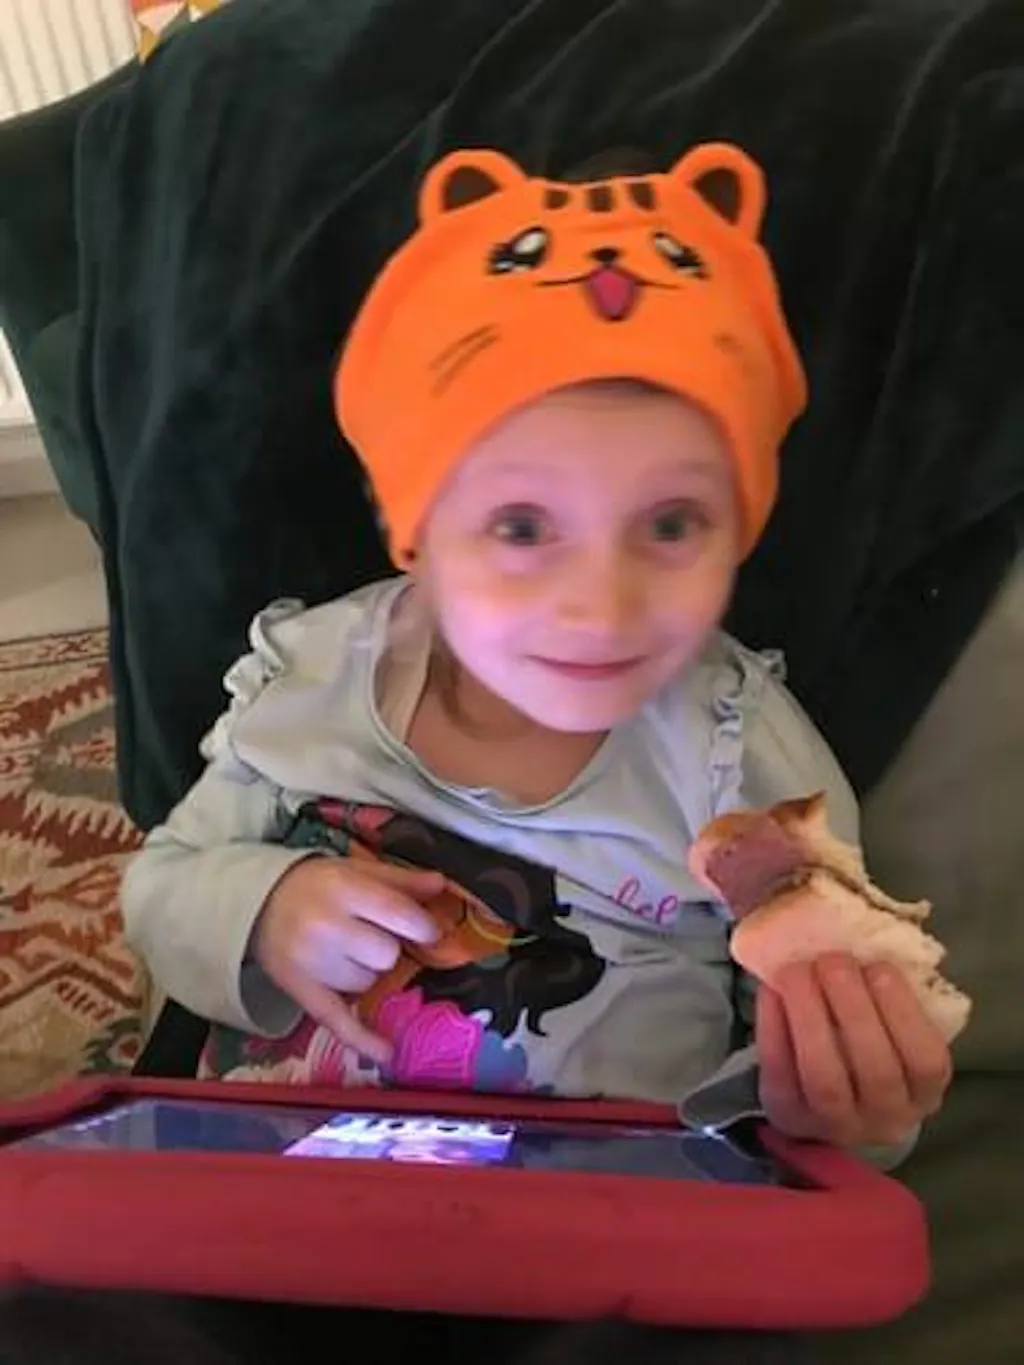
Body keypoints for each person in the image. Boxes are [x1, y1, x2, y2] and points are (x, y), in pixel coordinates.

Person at [15, 143, 952, 1363]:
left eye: (671, 523)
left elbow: (812, 1081)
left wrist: (839, 1095)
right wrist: (263, 905)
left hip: (605, 1252)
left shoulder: (743, 762)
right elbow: (160, 890)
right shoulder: (311, 680)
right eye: (519, 526)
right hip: (279, 1214)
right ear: (416, 523)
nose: (601, 602)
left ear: (740, 521)